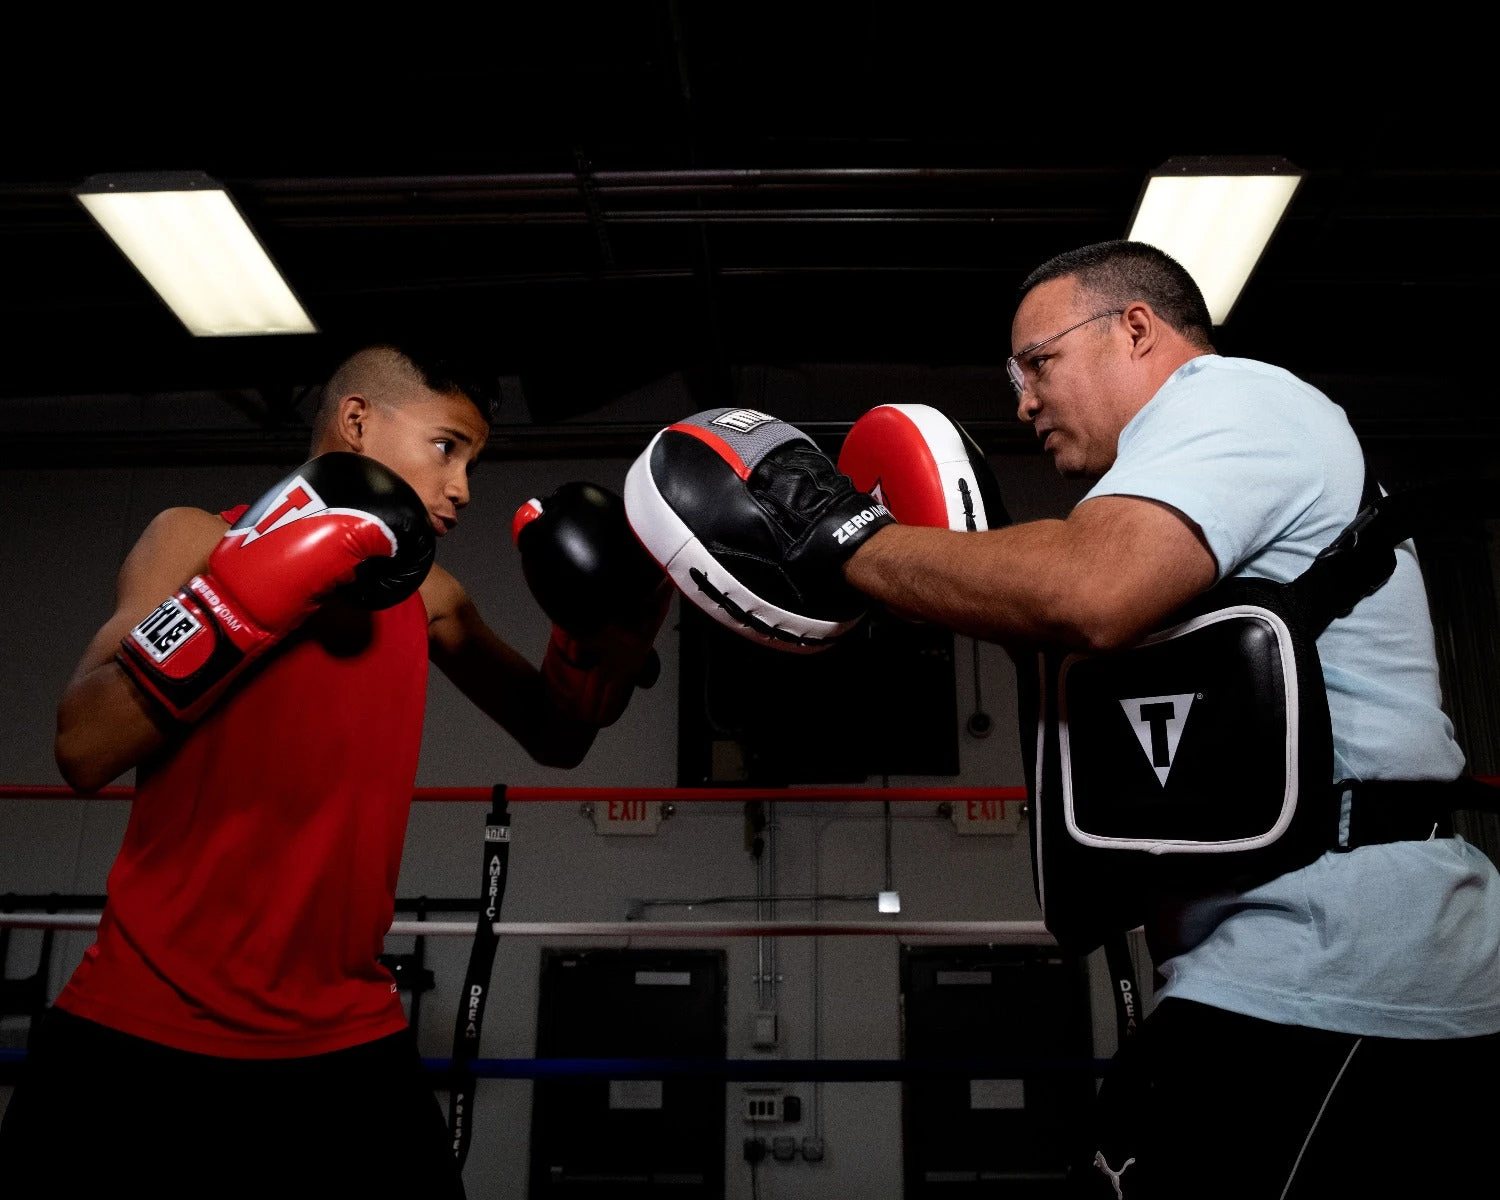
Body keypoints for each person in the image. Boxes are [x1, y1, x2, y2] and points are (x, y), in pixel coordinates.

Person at [636, 241, 1500, 1196]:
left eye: (1038, 364)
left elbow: (1088, 589)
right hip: (1285, 967)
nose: (1024, 403)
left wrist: (844, 539)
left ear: (1136, 329)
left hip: (1343, 968)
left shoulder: (1238, 400)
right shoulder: (1189, 507)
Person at [0, 344, 668, 1198]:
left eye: (472, 461)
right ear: (356, 421)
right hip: (143, 1015)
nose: (462, 487)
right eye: (446, 447)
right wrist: (238, 600)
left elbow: (555, 734)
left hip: (344, 1029)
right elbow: (83, 747)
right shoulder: (195, 539)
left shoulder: (430, 599)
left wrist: (598, 642)